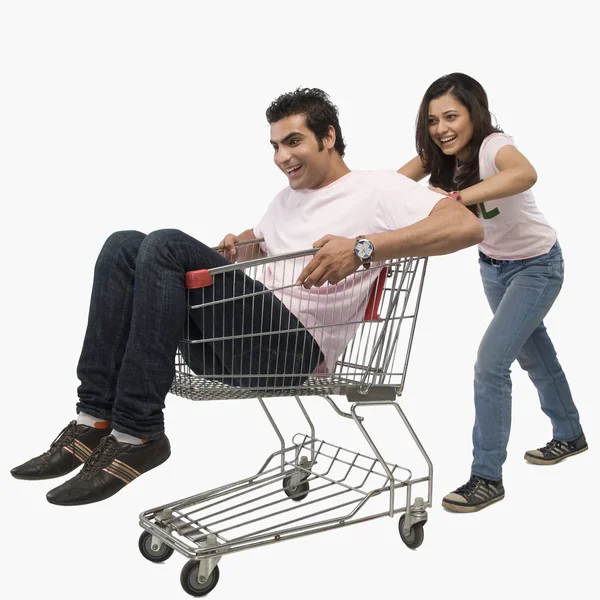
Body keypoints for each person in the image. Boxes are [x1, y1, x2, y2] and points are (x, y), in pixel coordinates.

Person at [11, 87, 482, 506]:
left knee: (165, 242)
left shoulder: (378, 187)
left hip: (293, 351)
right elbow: (264, 255)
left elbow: (466, 224)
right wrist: (233, 249)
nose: (282, 156)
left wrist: (363, 248)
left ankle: (136, 433)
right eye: (275, 146)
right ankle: (94, 418)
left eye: (293, 142)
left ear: (329, 136)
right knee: (124, 245)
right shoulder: (285, 199)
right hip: (239, 345)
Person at [398, 73, 587, 513]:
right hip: (493, 269)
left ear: (474, 113)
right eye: (432, 120)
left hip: (537, 267)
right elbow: (390, 187)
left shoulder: (492, 145)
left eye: (451, 116)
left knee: (490, 364)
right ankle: (570, 434)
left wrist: (458, 198)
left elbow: (525, 173)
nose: (442, 128)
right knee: (534, 354)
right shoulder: (437, 157)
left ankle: (487, 477)